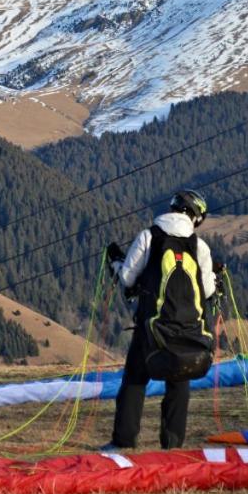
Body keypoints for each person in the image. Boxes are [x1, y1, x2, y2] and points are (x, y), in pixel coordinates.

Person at [101, 189, 218, 451]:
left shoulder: (148, 237)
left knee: (134, 379)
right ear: (195, 217)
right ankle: (173, 445)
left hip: (150, 327)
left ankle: (124, 441)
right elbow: (208, 291)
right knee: (178, 381)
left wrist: (117, 263)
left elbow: (128, 279)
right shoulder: (199, 247)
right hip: (188, 329)